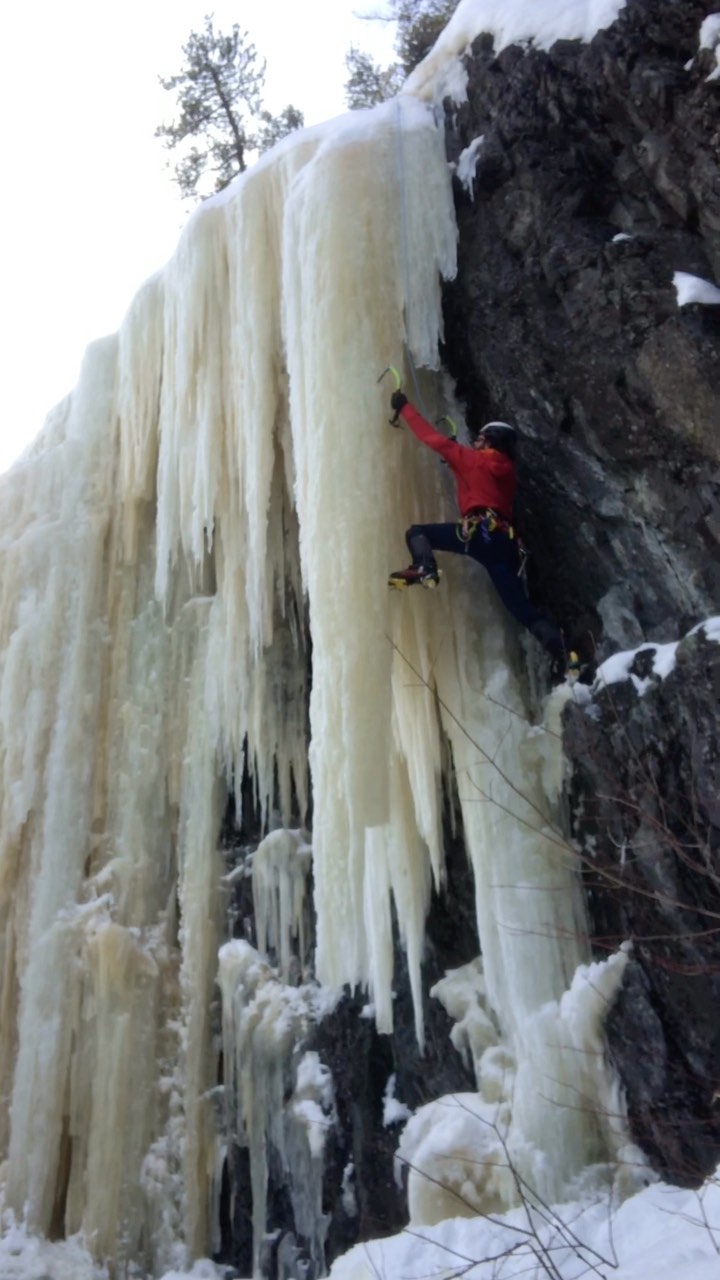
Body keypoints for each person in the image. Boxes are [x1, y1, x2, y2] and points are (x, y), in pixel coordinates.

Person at [388, 390, 570, 681]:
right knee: (522, 610)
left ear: (488, 441)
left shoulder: (471, 458)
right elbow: (481, 482)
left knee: (417, 532)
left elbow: (431, 439)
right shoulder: (507, 471)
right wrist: (460, 462)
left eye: (480, 439)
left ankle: (425, 566)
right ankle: (565, 655)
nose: (475, 443)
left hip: (478, 534)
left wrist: (405, 408)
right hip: (505, 545)